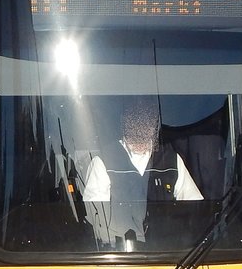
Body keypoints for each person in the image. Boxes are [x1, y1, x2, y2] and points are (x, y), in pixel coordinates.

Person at [82, 96, 203, 250]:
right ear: (125, 124)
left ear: (154, 127)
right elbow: (95, 217)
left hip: (167, 253)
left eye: (146, 125)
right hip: (120, 252)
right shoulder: (103, 160)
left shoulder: (171, 160)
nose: (141, 131)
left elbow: (195, 207)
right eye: (135, 125)